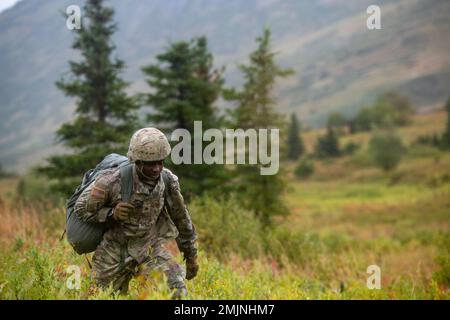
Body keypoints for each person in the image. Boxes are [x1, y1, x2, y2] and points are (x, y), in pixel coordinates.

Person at [74, 128, 198, 298]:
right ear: (137, 161)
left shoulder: (167, 180)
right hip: (113, 252)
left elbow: (181, 218)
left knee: (177, 292)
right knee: (99, 296)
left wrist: (191, 256)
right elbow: (81, 209)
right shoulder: (111, 181)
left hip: (149, 248)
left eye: (160, 162)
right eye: (150, 163)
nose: (157, 168)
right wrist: (111, 213)